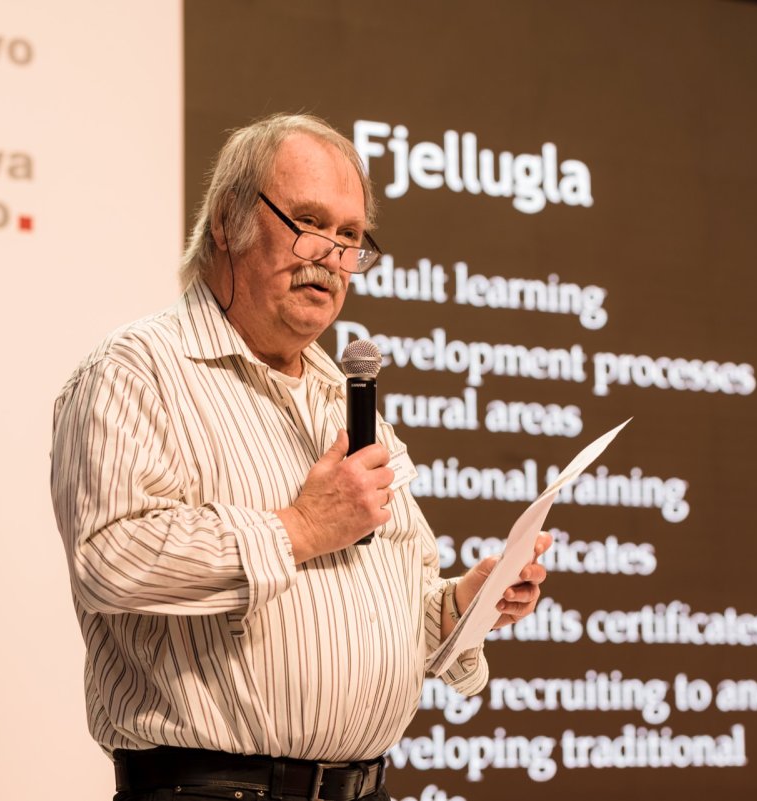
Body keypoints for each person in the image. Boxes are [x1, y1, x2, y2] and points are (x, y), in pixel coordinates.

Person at [50, 113, 551, 800]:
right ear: (229, 220)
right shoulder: (138, 370)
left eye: (350, 236)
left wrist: (469, 602)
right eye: (311, 222)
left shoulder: (348, 400)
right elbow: (111, 559)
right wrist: (300, 528)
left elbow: (396, 605)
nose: (332, 255)